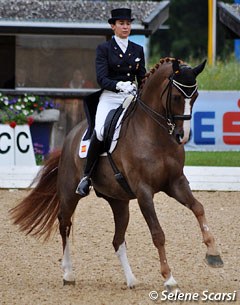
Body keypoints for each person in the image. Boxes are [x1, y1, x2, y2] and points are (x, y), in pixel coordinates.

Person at [76, 8, 146, 196]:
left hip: (131, 97)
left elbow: (142, 77)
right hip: (110, 97)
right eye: (122, 23)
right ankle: (86, 176)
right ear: (113, 26)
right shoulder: (104, 49)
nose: (125, 27)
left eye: (128, 23)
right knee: (100, 131)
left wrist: (141, 90)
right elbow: (101, 78)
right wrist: (119, 85)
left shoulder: (137, 49)